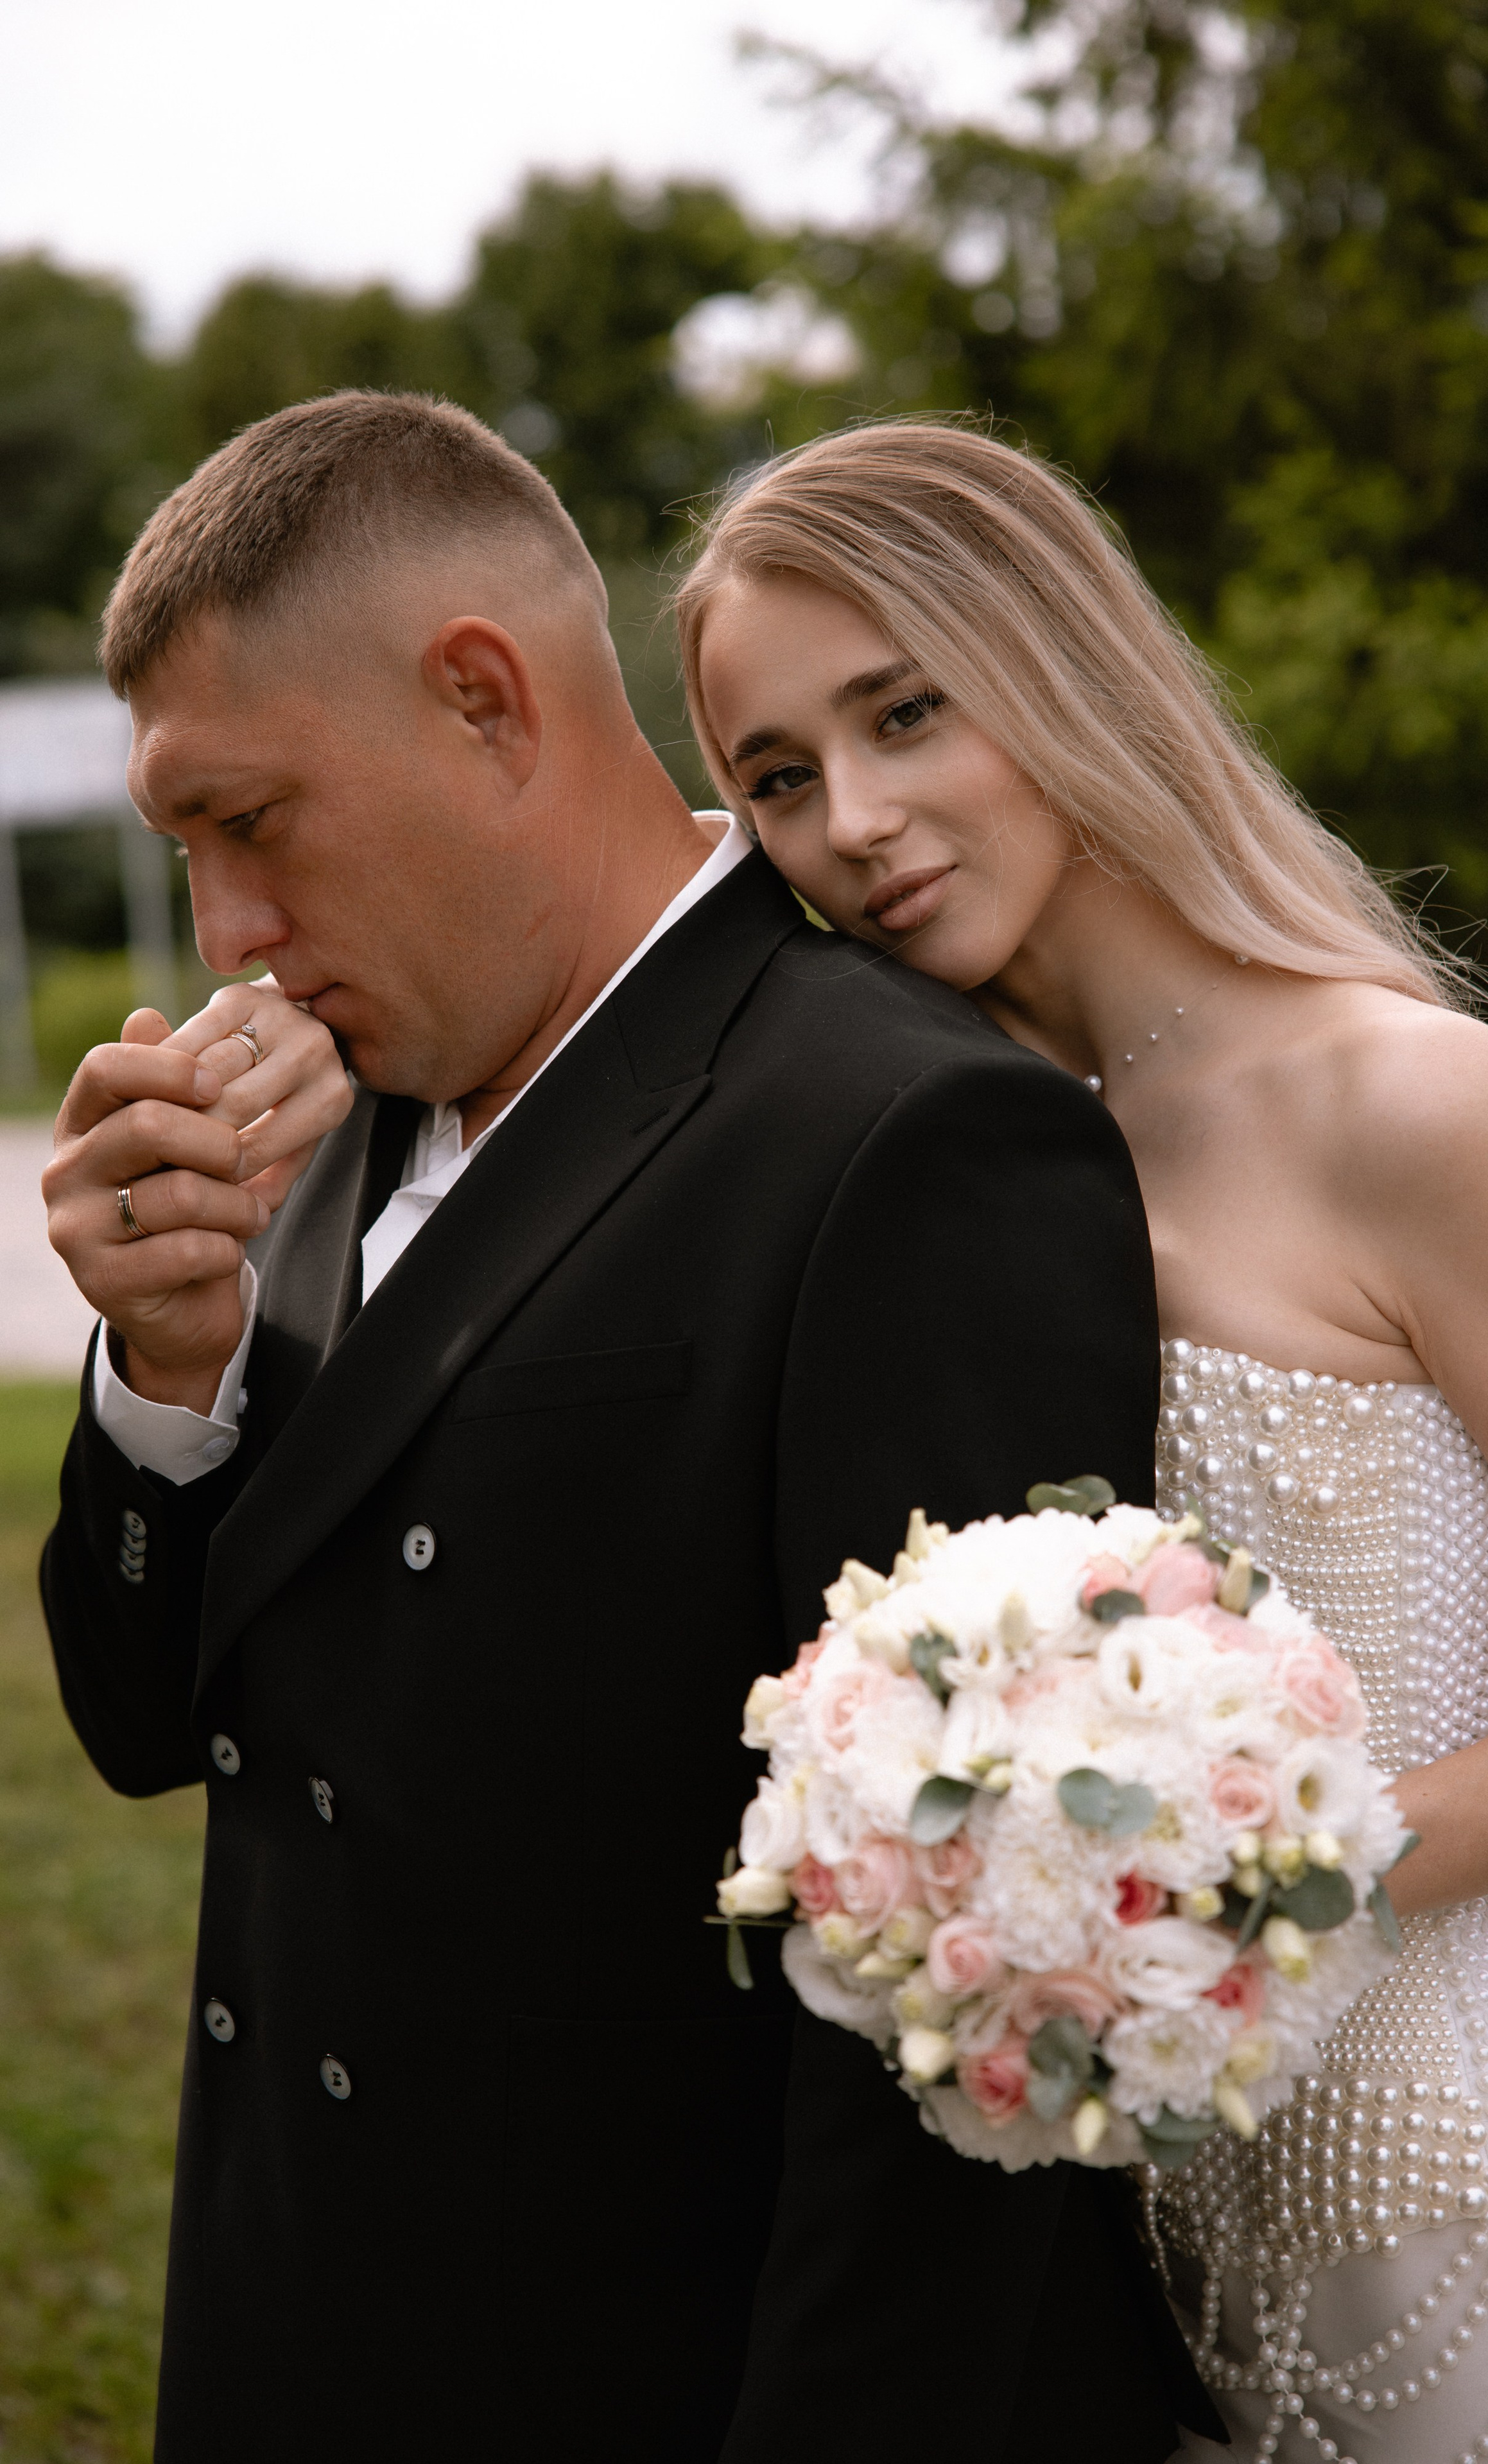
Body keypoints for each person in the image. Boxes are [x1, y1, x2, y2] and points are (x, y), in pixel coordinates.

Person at [37, 395, 1219, 2464]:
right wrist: (166, 1368)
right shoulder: (327, 1107)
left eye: (254, 823)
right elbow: (155, 1730)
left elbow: (961, 2005)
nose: (224, 935)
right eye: (184, 850)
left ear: (484, 702)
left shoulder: (904, 1133)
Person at [667, 419, 1488, 2464]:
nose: (853, 820)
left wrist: (1273, 1882)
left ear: (1056, 667)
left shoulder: (1412, 1101)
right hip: (1179, 2309)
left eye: (904, 713)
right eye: (778, 777)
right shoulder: (958, 1169)